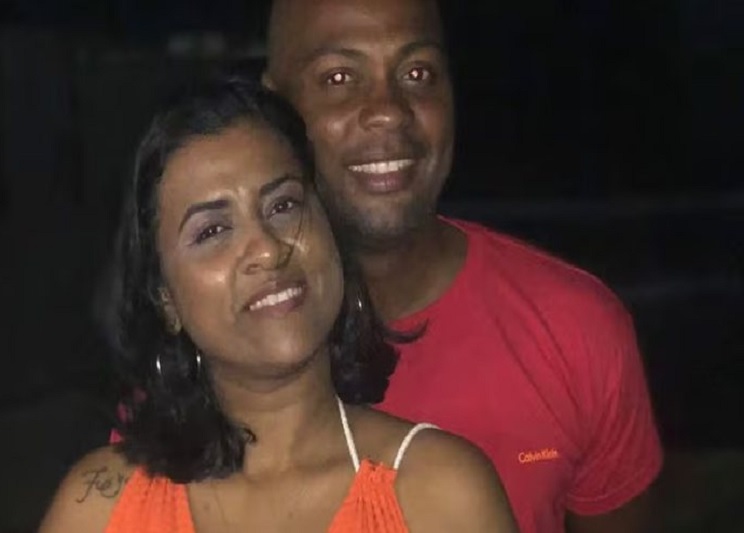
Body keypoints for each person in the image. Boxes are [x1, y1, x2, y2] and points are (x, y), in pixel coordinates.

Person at [39, 80, 518, 532]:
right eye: (212, 231)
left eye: (283, 206)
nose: (267, 250)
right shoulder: (98, 509)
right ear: (165, 299)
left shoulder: (441, 497)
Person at [261, 0, 663, 531]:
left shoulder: (574, 330)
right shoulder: (214, 352)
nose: (389, 110)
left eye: (418, 73)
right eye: (338, 78)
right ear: (273, 110)